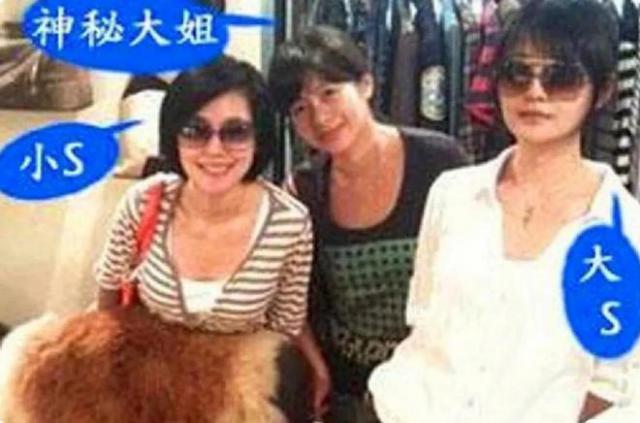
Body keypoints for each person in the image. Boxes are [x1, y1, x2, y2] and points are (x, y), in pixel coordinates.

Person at [369, 1, 640, 422]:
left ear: (601, 91)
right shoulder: (453, 194)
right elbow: (423, 322)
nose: (535, 92)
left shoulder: (622, 229)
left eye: (561, 77)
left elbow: (610, 384)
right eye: (517, 73)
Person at [94, 56, 314, 420]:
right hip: (148, 393)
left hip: (237, 403)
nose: (214, 150)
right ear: (174, 135)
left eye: (235, 132)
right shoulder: (144, 202)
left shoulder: (289, 223)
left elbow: (284, 332)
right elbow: (108, 308)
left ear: (258, 138)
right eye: (195, 131)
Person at [268, 26, 467, 422]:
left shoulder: (439, 162)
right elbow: (291, 295)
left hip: (436, 386)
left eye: (329, 92)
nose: (319, 116)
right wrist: (316, 366)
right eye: (300, 108)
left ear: (366, 85)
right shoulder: (304, 189)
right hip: (349, 390)